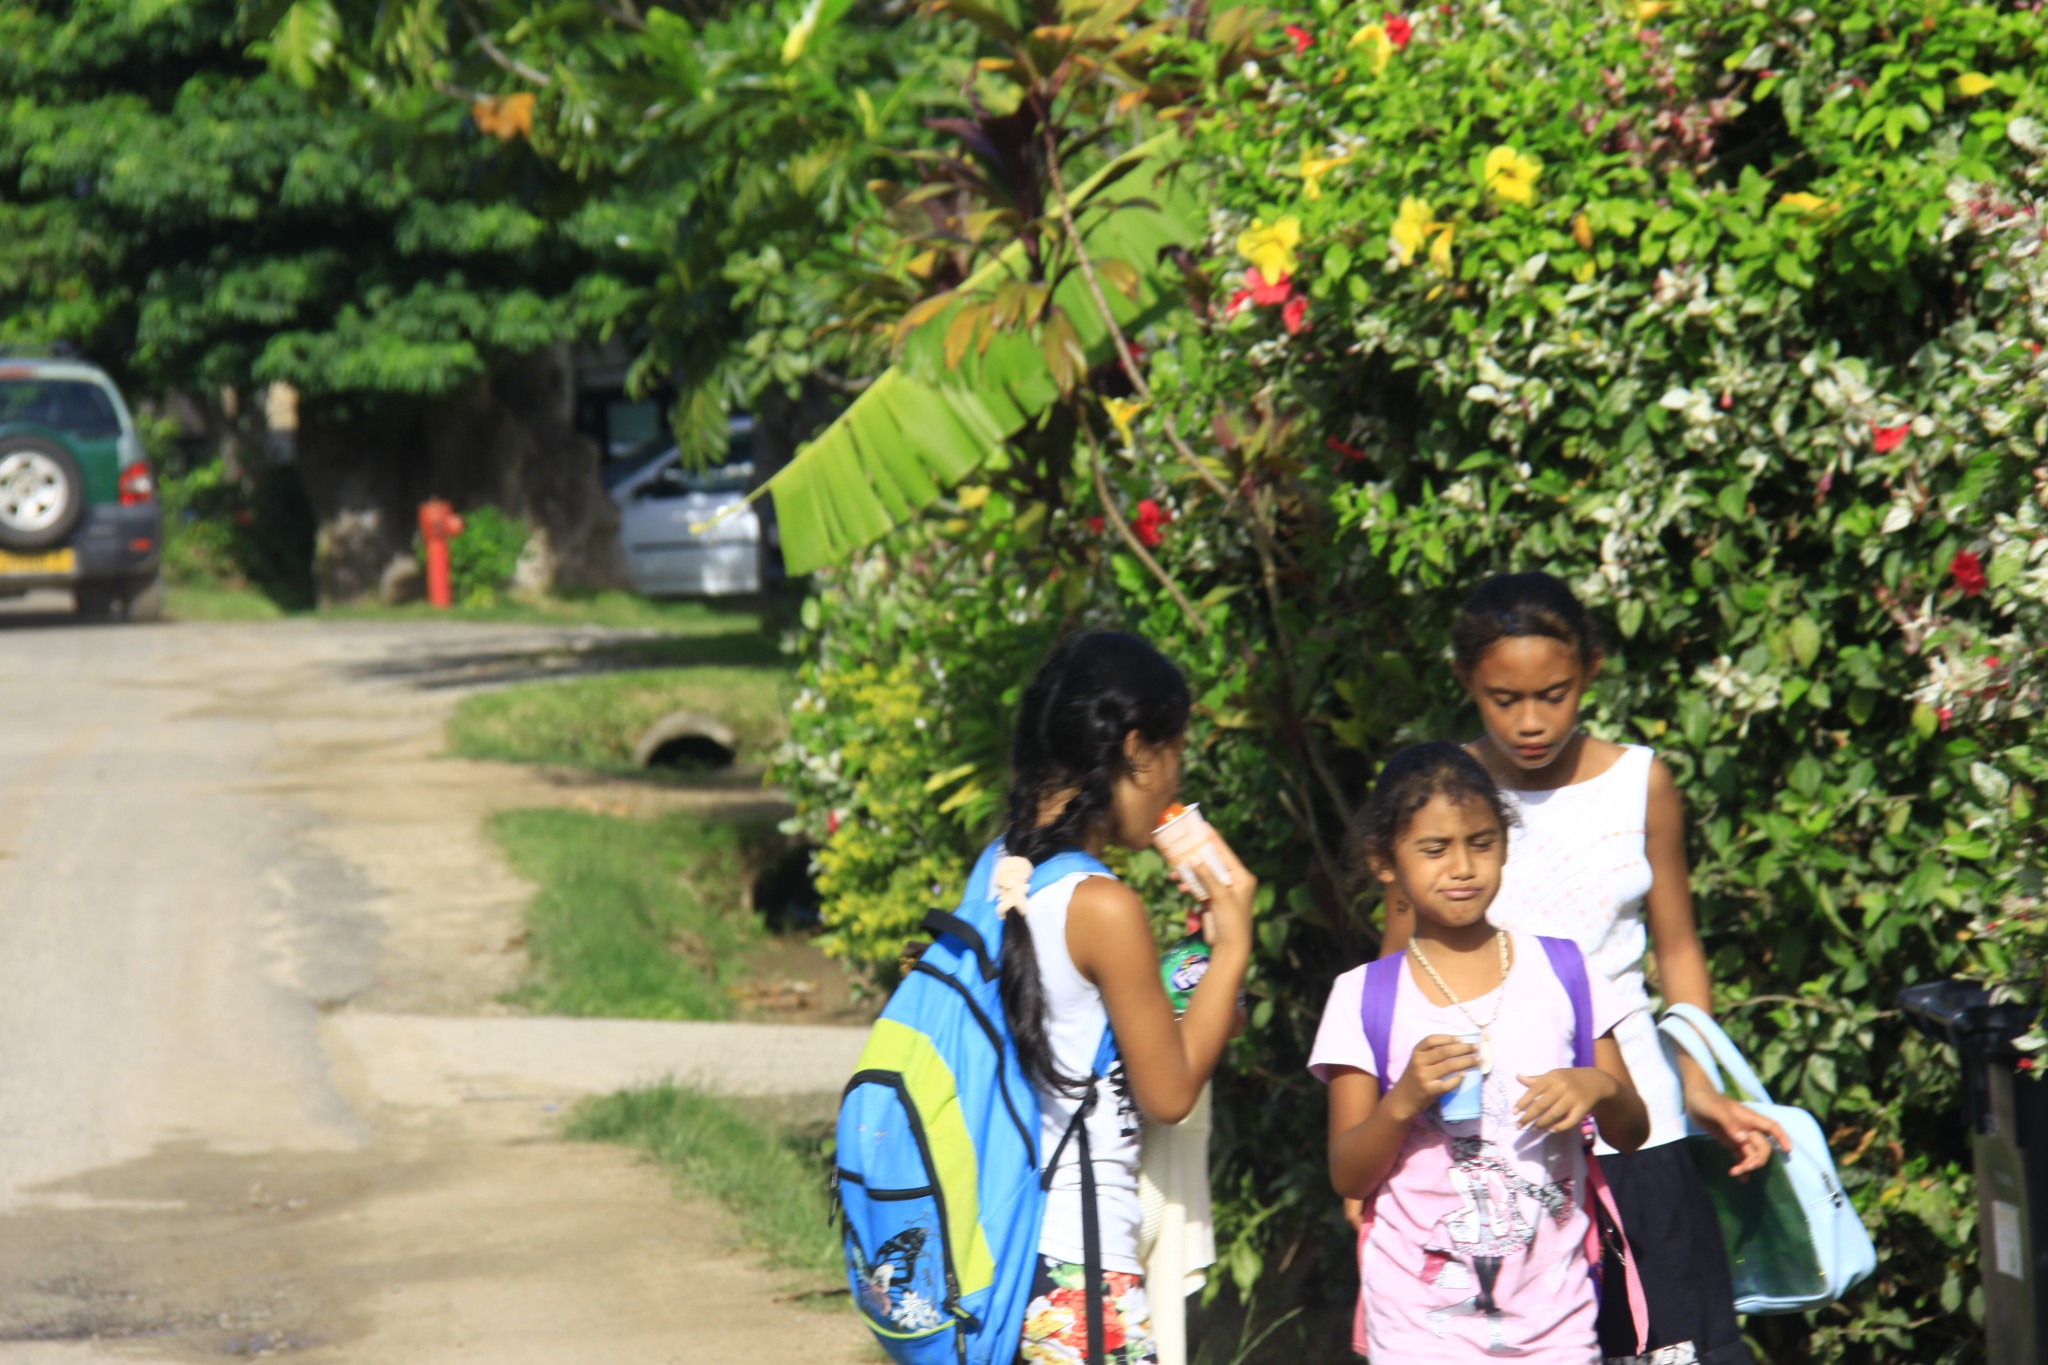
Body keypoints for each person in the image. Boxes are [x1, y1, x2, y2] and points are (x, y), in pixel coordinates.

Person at [1378, 571, 1790, 1365]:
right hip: (1495, 1151)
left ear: (1591, 671)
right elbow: (1399, 975)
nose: (1532, 721)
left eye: (1555, 694)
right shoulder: (1437, 796)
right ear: (1466, 681)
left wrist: (1696, 1079)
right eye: (1504, 698)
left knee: (1669, 1343)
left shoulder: (1640, 783)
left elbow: (1676, 950)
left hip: (1639, 1124)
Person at [1313, 742, 1649, 1362]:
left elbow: (1633, 1130)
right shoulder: (1362, 997)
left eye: (1482, 842)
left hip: (1559, 1324)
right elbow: (1348, 1174)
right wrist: (1400, 1105)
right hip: (1418, 1331)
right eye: (1435, 849)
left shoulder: (1564, 970)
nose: (1463, 867)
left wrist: (1598, 1088)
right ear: (1384, 861)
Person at [1000, 631, 1257, 1365]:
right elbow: (1169, 1090)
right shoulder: (1104, 906)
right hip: (1080, 1266)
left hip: (1005, 1249)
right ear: (1137, 747)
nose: (1176, 782)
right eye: (1175, 753)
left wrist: (1196, 993)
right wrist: (1233, 945)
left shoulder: (1003, 872)